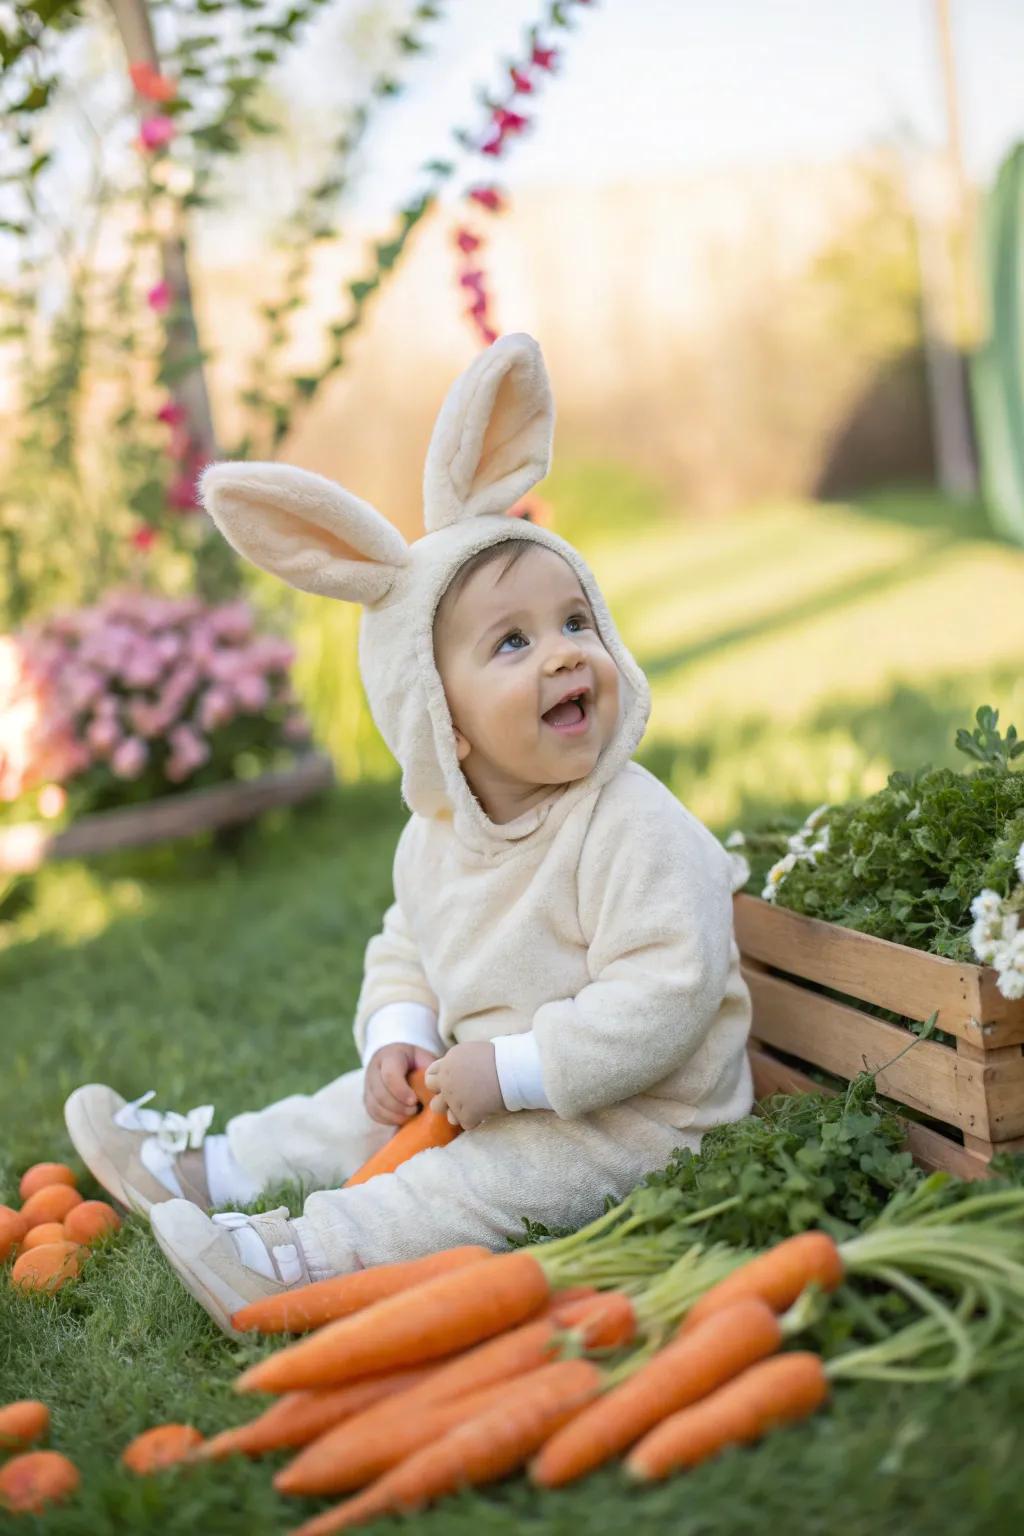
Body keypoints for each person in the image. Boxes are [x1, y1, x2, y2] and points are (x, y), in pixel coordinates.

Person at [63, 333, 753, 1334]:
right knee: (362, 1103)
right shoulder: (439, 837)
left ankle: (301, 1256)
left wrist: (514, 1071)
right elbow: (408, 944)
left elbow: (666, 993)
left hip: (635, 1121)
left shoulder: (633, 824)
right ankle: (210, 1168)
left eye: (575, 622)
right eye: (512, 643)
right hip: (492, 1076)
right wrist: (401, 1035)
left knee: (472, 1179)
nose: (563, 657)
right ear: (440, 719)